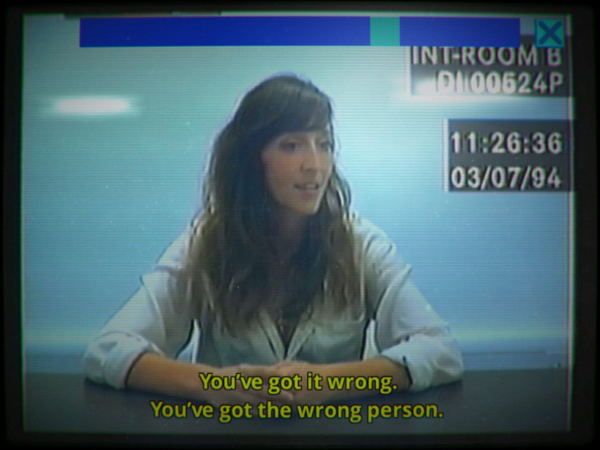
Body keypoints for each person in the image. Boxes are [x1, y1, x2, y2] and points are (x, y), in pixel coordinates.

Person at [83, 74, 463, 406]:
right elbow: (109, 348)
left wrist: (333, 383)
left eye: (324, 144)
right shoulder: (206, 242)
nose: (314, 165)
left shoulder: (360, 243)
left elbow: (440, 350)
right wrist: (212, 385)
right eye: (291, 145)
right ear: (251, 159)